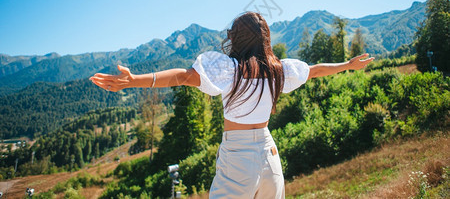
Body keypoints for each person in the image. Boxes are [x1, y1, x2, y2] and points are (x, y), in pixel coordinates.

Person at [89, 11, 374, 198]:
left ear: (236, 39)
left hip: (238, 154)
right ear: (265, 40)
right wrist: (348, 65)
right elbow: (315, 69)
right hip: (269, 152)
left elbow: (182, 77)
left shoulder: (230, 70)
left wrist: (135, 79)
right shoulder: (279, 71)